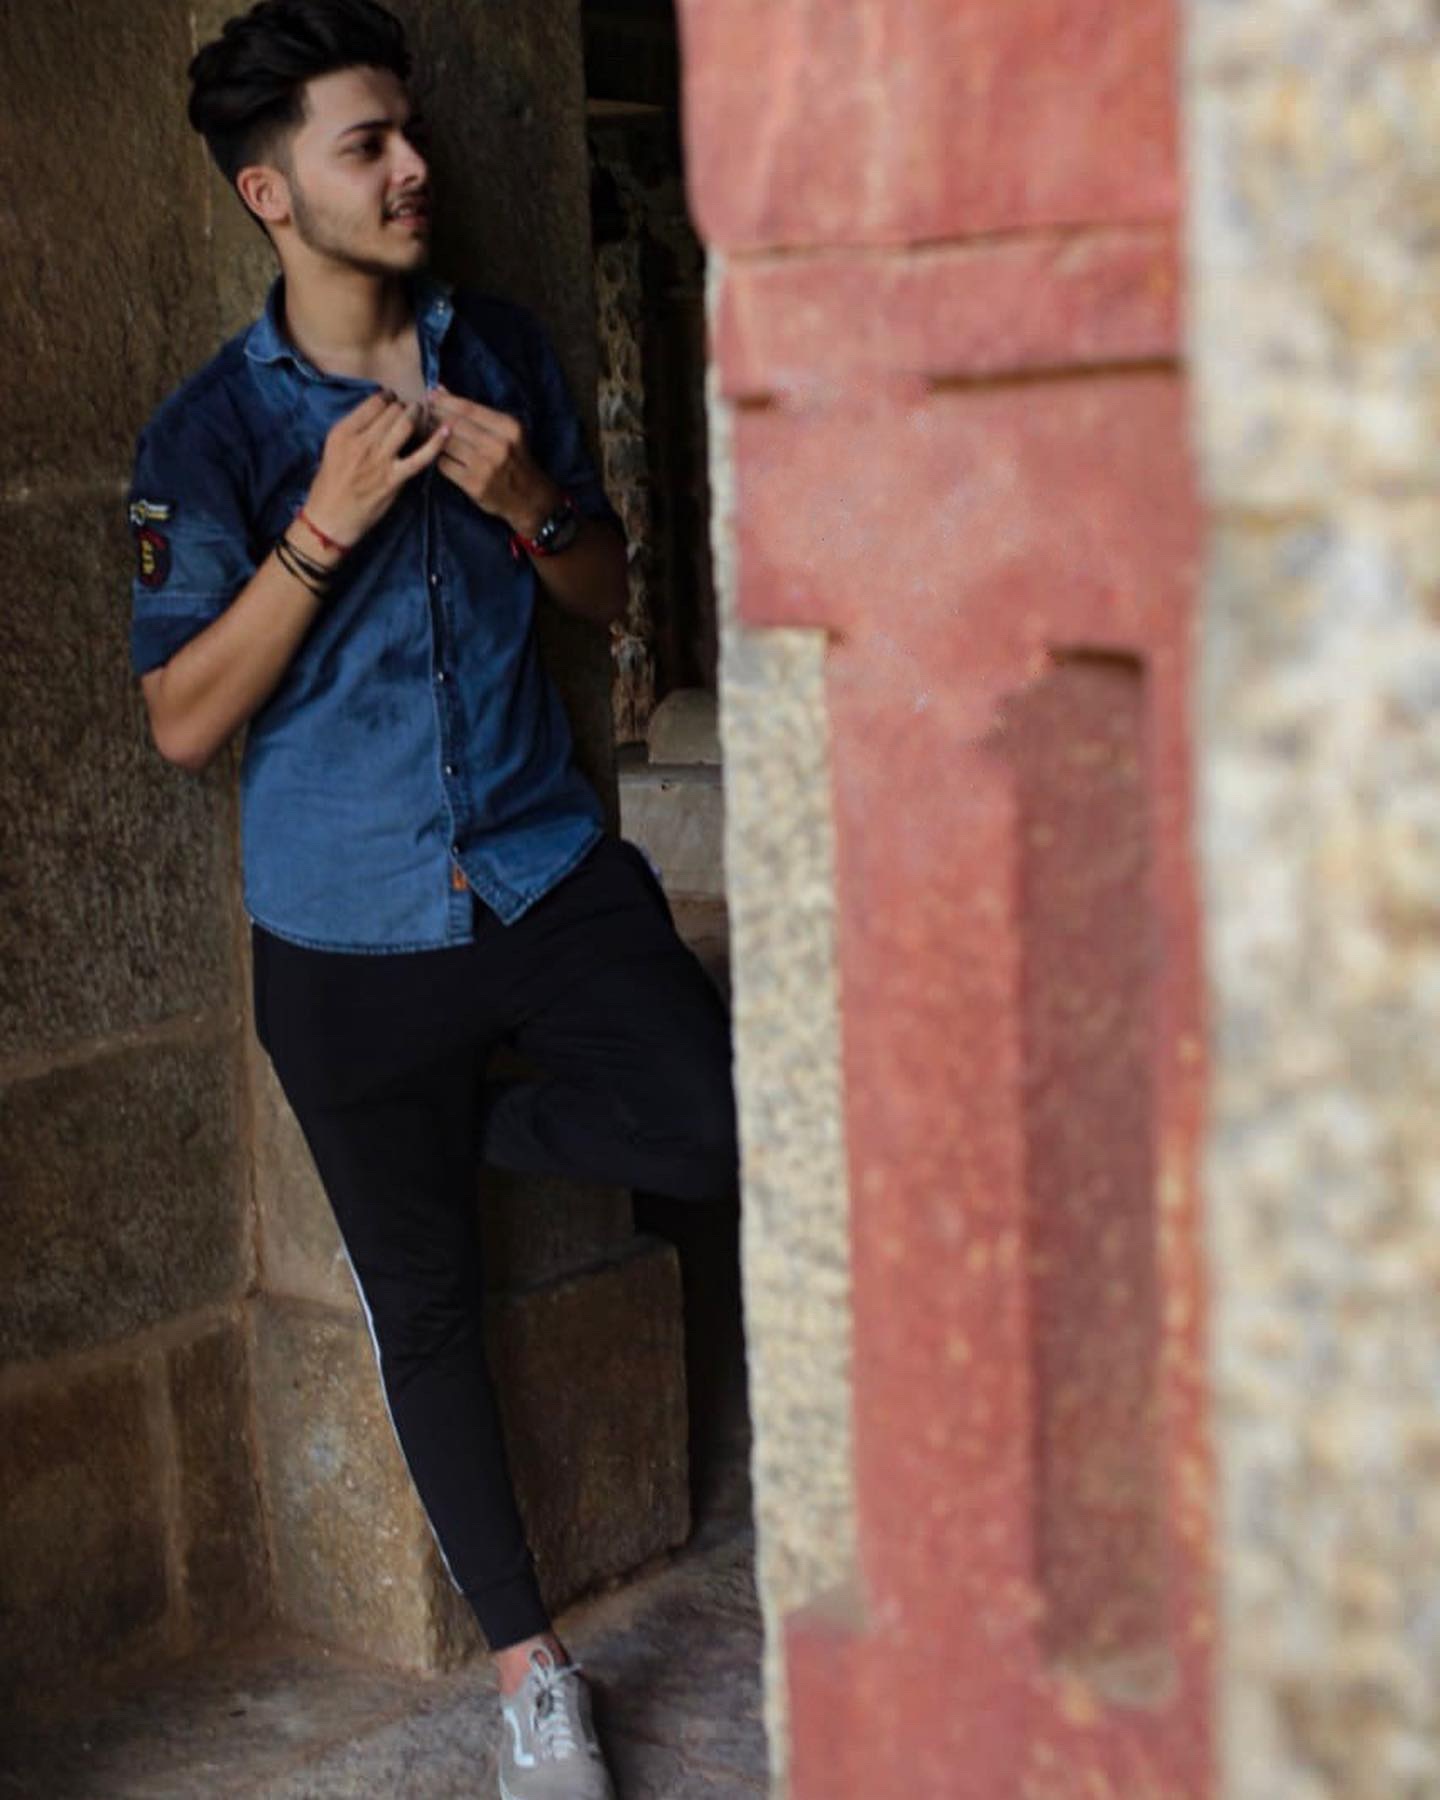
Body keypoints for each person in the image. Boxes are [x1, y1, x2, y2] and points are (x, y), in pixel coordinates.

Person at [127, 3, 739, 1794]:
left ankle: (449, 1121)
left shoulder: (509, 351)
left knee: (725, 1129)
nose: (414, 170)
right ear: (270, 194)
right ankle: (532, 1677)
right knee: (428, 1311)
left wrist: (534, 499)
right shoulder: (208, 435)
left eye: (409, 133)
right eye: (367, 146)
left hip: (545, 875)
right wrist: (318, 535)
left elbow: (606, 594)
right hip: (347, 936)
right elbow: (181, 721)